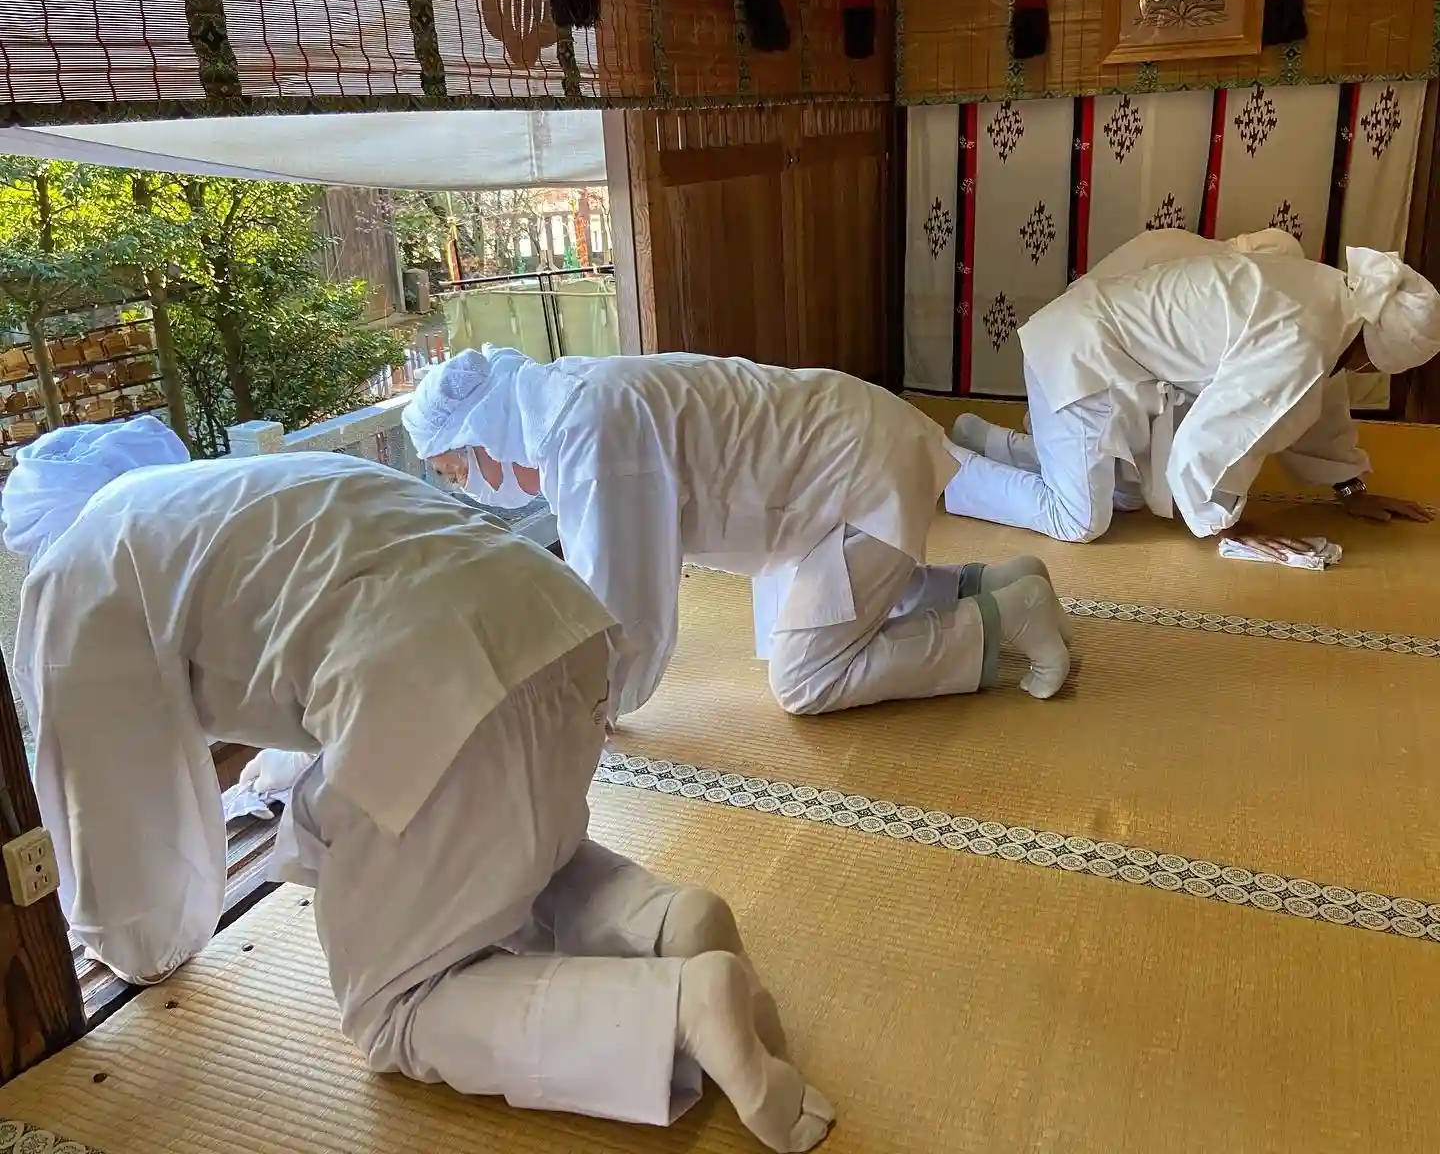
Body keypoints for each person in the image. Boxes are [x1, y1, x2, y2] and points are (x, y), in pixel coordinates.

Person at [2, 416, 833, 1153]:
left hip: (423, 684)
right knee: (498, 853)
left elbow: (107, 811)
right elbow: (308, 631)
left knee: (395, 1007)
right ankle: (659, 921)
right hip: (558, 626)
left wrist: (138, 951)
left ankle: (678, 1010)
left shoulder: (79, 565)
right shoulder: (227, 489)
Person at [403, 350, 1072, 720]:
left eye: (458, 469)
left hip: (850, 474)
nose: (466, 485)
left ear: (483, 434)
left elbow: (623, 606)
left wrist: (592, 709)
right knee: (829, 610)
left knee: (805, 677)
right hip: (844, 452)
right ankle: (990, 584)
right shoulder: (570, 399)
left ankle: (1006, 618)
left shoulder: (587, 437)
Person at [942, 237, 1439, 548]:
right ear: (1379, 354)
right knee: (1078, 520)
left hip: (1101, 346)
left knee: (1124, 494)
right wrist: (1224, 526)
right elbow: (1210, 439)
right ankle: (943, 467)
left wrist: (1350, 488)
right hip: (1080, 353)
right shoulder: (1302, 342)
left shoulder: (1333, 298)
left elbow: (1318, 404)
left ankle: (982, 439)